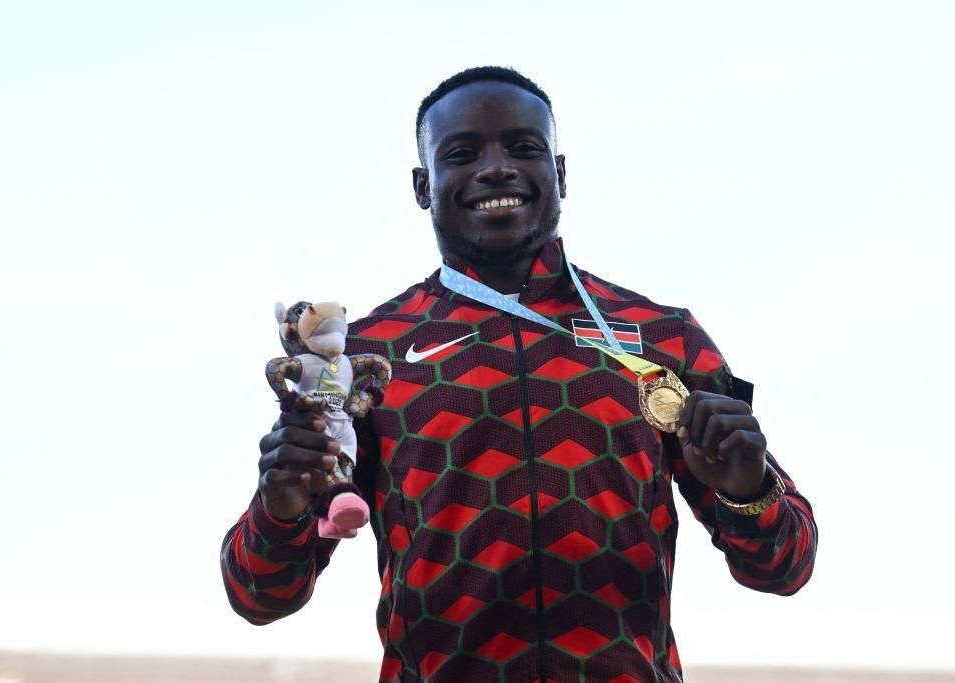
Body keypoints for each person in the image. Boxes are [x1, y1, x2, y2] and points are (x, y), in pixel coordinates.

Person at [220, 66, 817, 683]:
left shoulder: (663, 337)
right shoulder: (370, 357)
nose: (497, 167)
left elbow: (786, 566)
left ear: (559, 174)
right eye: (462, 153)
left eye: (525, 148)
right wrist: (280, 508)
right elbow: (258, 596)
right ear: (424, 186)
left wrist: (747, 493)